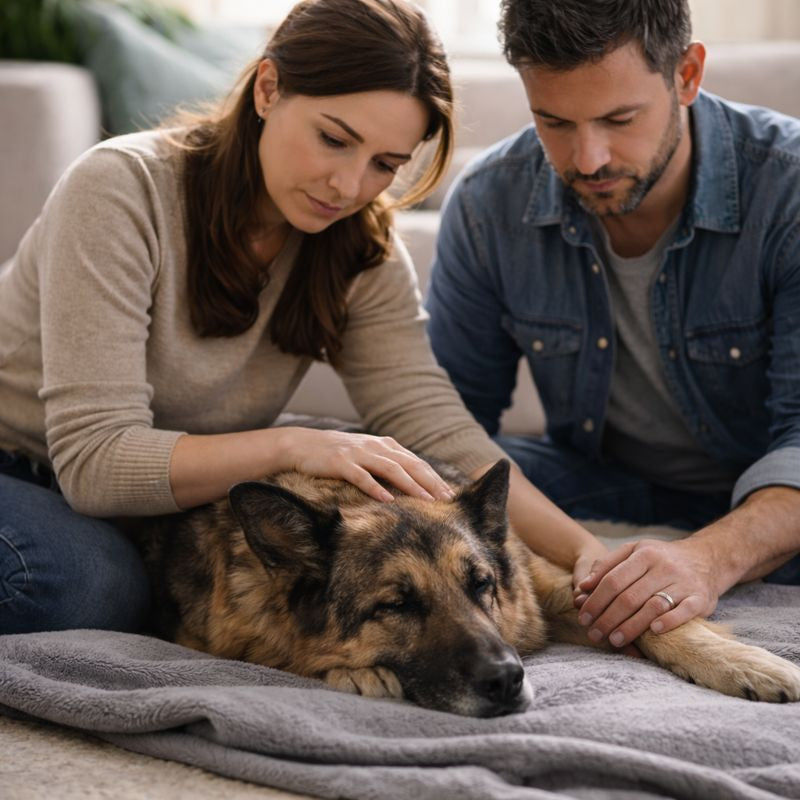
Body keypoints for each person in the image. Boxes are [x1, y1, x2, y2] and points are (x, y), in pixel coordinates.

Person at [0, 0, 609, 636]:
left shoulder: (357, 245)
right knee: (84, 588)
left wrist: (585, 553)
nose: (348, 186)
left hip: (153, 508)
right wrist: (294, 445)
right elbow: (96, 464)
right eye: (334, 139)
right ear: (268, 88)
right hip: (22, 462)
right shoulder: (121, 190)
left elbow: (433, 424)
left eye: (384, 164)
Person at [427, 0, 800, 654]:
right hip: (603, 478)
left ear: (687, 74)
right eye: (554, 122)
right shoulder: (490, 205)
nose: (588, 157)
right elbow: (453, 428)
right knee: (423, 473)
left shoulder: (788, 189)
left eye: (619, 119)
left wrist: (709, 559)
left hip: (764, 491)